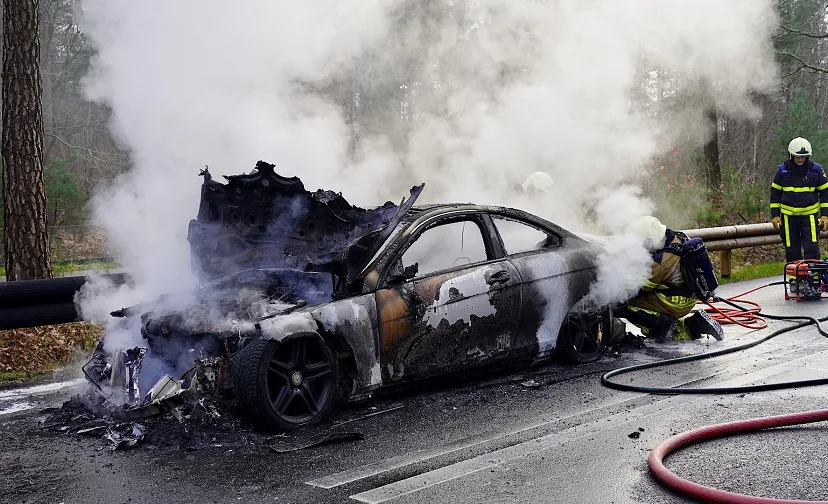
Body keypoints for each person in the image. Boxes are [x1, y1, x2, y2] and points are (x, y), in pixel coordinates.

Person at [618, 216, 724, 342]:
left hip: (675, 302)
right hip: (689, 296)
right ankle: (696, 324)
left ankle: (664, 328)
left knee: (626, 305)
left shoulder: (660, 262)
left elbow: (641, 287)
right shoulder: (679, 238)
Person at [769, 137, 828, 265]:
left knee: (811, 249)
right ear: (791, 155)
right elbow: (775, 195)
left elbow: (825, 194)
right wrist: (775, 215)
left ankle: (813, 280)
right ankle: (795, 281)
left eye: (803, 157)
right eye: (797, 157)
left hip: (809, 218)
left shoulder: (816, 170)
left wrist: (825, 215)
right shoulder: (782, 170)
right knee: (792, 251)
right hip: (789, 219)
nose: (800, 159)